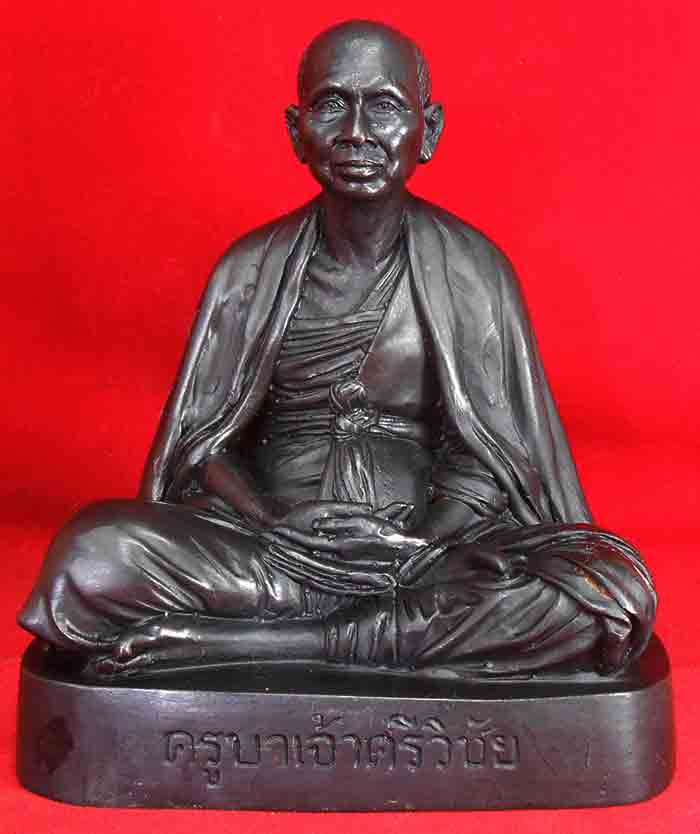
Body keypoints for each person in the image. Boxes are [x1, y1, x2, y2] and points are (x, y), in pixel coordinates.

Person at [18, 20, 656, 679]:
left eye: (384, 106)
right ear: (296, 131)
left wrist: (419, 542)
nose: (356, 132)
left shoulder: (473, 270)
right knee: (94, 555)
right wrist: (274, 522)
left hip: (423, 557)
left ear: (428, 130)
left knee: (606, 593)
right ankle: (348, 635)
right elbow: (201, 446)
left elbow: (493, 454)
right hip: (273, 554)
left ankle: (269, 643)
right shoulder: (250, 269)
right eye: (331, 105)